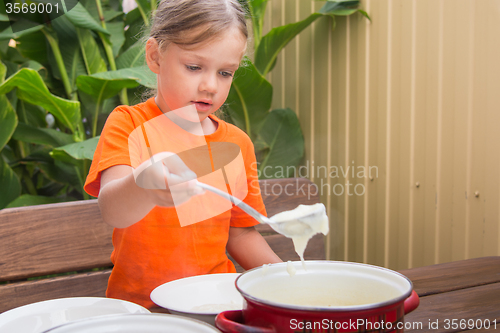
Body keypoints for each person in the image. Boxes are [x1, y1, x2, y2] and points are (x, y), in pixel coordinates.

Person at [84, 0, 282, 309]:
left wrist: (287, 279)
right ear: (155, 56)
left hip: (215, 305)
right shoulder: (130, 125)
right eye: (194, 67)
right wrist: (144, 184)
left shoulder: (236, 144)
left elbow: (241, 235)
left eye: (225, 73)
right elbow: (113, 210)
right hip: (140, 312)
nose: (209, 86)